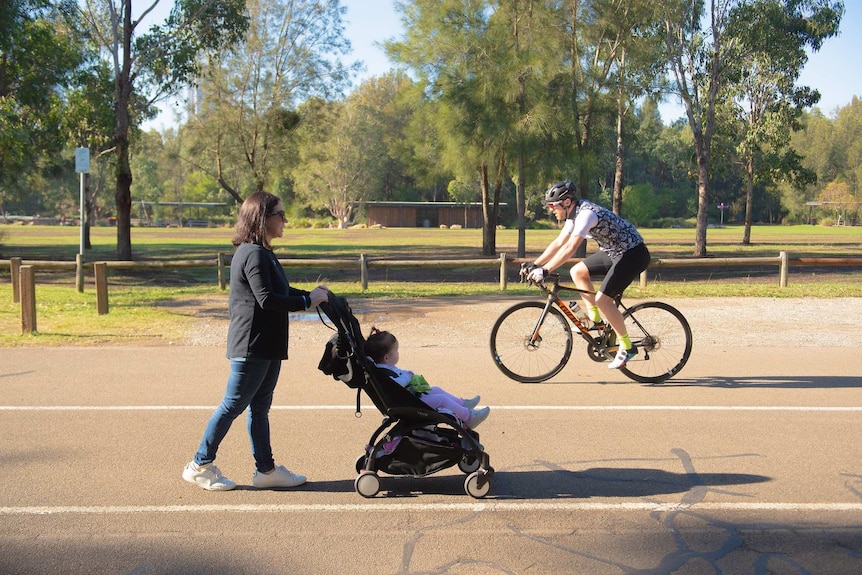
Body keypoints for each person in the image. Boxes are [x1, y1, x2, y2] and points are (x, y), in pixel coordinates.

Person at [183, 191, 329, 491]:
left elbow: (281, 291)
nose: (285, 221)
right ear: (264, 218)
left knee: (259, 407)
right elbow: (266, 299)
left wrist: (311, 296)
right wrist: (306, 302)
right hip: (252, 347)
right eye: (280, 214)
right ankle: (200, 464)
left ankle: (266, 470)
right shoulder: (252, 253)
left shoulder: (262, 253)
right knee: (232, 405)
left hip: (266, 345)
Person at [525, 180, 650, 370]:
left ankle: (627, 346)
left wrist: (546, 270)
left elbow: (570, 247)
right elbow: (559, 242)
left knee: (603, 300)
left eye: (553, 205)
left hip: (633, 254)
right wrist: (536, 264)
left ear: (567, 202)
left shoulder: (586, 214)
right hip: (614, 252)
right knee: (578, 271)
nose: (551, 210)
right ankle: (596, 322)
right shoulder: (572, 216)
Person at [365, 329, 490, 429]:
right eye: (396, 351)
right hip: (409, 403)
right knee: (441, 400)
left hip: (410, 397)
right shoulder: (383, 372)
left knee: (436, 389)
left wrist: (405, 373)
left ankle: (462, 404)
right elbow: (396, 384)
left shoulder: (383, 367)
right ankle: (469, 417)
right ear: (386, 357)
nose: (398, 353)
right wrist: (406, 377)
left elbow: (397, 375)